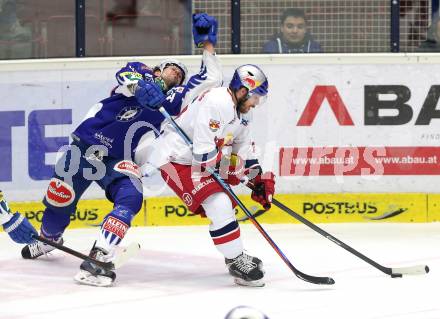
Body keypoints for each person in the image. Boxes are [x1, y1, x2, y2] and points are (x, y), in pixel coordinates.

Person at [5, 12, 221, 287]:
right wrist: (143, 87)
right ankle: (49, 240)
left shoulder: (176, 99)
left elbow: (211, 79)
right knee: (59, 202)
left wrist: (208, 46)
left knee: (131, 196)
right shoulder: (140, 72)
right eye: (170, 69)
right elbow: (125, 75)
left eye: (179, 75)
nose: (175, 74)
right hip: (83, 148)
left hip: (119, 159)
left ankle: (101, 253)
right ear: (158, 69)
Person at [138, 64, 276, 287]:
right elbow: (204, 156)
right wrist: (238, 174)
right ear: (242, 91)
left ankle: (234, 255)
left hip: (198, 161)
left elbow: (243, 149)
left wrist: (258, 180)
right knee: (220, 203)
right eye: (256, 96)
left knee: (226, 204)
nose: (257, 102)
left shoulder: (242, 112)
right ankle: (236, 259)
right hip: (176, 160)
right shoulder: (217, 102)